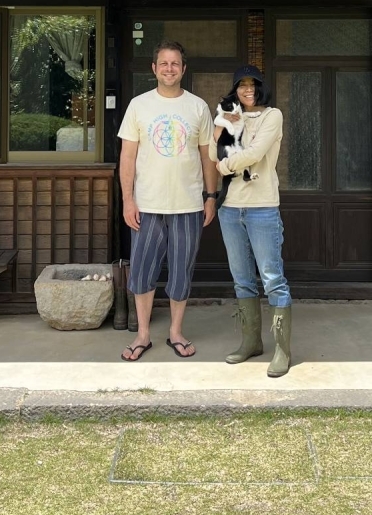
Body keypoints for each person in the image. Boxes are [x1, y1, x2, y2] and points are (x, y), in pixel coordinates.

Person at [117, 40, 219, 361]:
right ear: (154, 69)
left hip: (187, 205)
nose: (169, 69)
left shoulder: (197, 107)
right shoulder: (139, 106)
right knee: (143, 270)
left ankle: (175, 332)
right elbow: (127, 157)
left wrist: (211, 196)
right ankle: (143, 335)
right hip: (146, 206)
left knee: (181, 270)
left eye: (175, 64)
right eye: (164, 63)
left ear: (183, 69)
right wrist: (127, 200)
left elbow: (208, 158)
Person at [209, 65, 292, 377]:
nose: (248, 90)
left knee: (272, 279)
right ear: (235, 90)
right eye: (241, 86)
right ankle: (250, 343)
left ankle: (282, 350)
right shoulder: (229, 114)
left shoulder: (273, 115)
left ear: (260, 88)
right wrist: (221, 128)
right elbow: (211, 147)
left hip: (262, 206)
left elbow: (255, 152)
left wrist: (225, 165)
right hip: (230, 208)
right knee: (242, 279)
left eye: (253, 85)